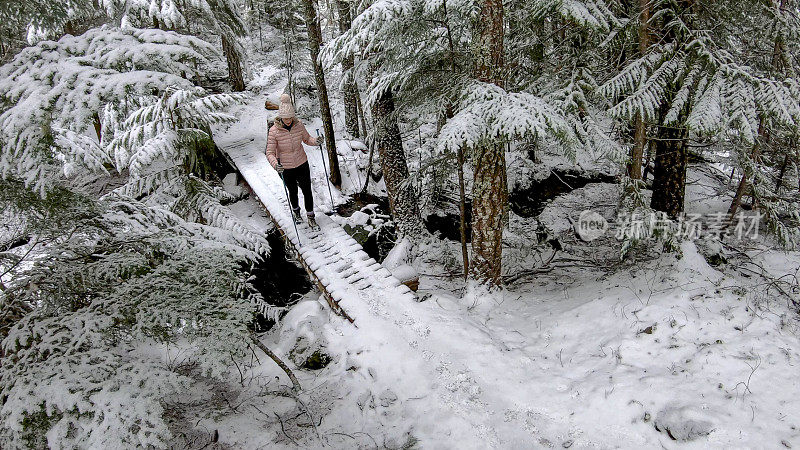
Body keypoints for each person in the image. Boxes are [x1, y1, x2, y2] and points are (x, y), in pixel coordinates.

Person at [266, 94, 324, 228]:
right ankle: (296, 212)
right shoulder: (274, 131)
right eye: (285, 118)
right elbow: (269, 152)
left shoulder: (299, 125)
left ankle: (311, 216)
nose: (288, 120)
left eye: (290, 117)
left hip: (301, 163)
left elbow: (307, 139)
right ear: (280, 117)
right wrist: (276, 164)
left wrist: (316, 141)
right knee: (292, 191)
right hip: (285, 167)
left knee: (307, 190)